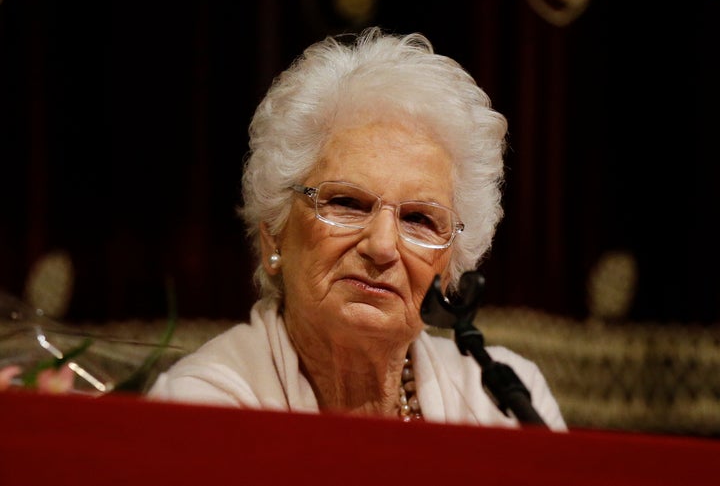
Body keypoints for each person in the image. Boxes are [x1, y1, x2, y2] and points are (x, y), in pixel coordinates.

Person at [147, 26, 567, 431]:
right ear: (274, 235)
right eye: (347, 203)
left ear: (452, 263)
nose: (382, 247)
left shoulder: (505, 404)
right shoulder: (202, 405)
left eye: (419, 219)